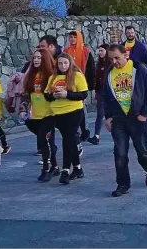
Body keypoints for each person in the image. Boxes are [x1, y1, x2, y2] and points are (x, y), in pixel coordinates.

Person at [103, 44, 147, 197]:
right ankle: (123, 184)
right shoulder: (109, 73)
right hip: (119, 119)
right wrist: (108, 117)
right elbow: (106, 97)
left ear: (125, 55)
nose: (114, 61)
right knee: (120, 153)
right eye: (111, 59)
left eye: (117, 58)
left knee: (142, 151)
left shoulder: (139, 69)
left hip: (136, 116)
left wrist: (145, 113)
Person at [43, 53, 89, 184]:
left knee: (68, 139)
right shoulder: (53, 77)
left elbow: (83, 94)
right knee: (70, 140)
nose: (63, 66)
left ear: (70, 63)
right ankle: (78, 168)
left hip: (74, 111)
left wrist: (67, 94)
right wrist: (54, 95)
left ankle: (65, 170)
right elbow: (46, 95)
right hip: (58, 112)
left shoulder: (76, 75)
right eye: (60, 63)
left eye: (65, 63)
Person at [22, 48, 60, 180]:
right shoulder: (30, 75)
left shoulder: (51, 76)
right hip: (35, 115)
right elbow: (26, 95)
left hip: (49, 114)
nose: (36, 60)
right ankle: (55, 166)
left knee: (43, 140)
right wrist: (22, 110)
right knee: (49, 142)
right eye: (35, 58)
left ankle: (46, 168)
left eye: (39, 57)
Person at [63, 30, 95, 141]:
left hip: (81, 83)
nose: (72, 39)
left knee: (81, 106)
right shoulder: (66, 51)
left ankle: (84, 129)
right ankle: (77, 129)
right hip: (68, 82)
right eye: (70, 37)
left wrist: (90, 84)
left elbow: (91, 68)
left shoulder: (86, 51)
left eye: (74, 37)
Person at [89, 44, 111, 145]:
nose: (100, 52)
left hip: (109, 91)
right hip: (101, 91)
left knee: (110, 114)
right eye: (99, 51)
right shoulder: (99, 64)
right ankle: (96, 136)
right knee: (100, 114)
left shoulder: (110, 63)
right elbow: (97, 79)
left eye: (102, 50)